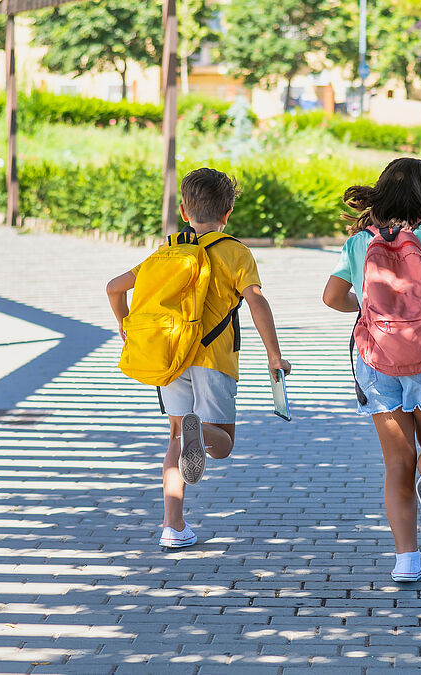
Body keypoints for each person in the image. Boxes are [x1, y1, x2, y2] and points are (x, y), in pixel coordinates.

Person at [106, 168, 290, 549]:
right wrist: (274, 354)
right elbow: (256, 300)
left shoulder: (168, 252)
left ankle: (173, 527)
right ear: (229, 212)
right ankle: (200, 432)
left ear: (184, 211)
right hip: (214, 360)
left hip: (172, 358)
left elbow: (113, 287)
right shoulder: (235, 251)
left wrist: (125, 325)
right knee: (222, 442)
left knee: (175, 438)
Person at [321, 158, 421, 583]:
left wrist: (369, 310)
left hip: (376, 359)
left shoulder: (359, 242)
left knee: (396, 463)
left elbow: (331, 296)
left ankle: (406, 560)